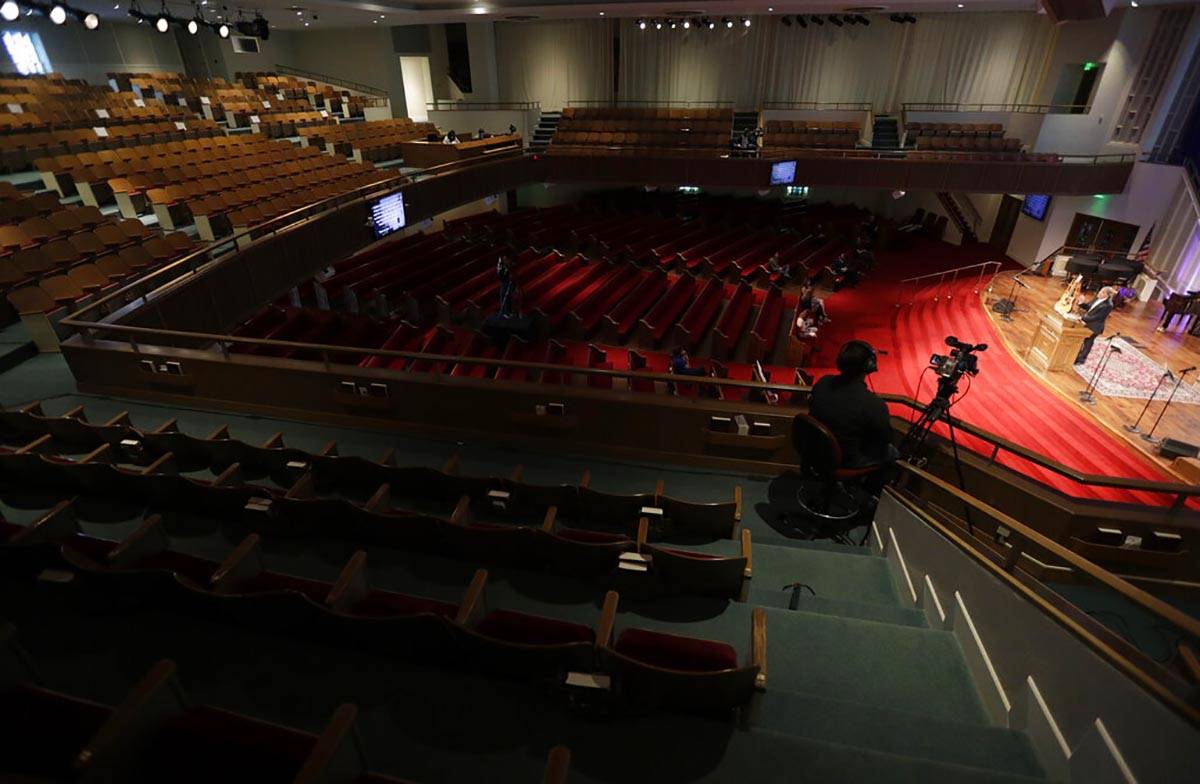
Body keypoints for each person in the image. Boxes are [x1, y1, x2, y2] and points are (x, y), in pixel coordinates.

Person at [807, 340, 898, 495]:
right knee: (892, 454)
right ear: (870, 366)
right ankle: (867, 501)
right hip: (844, 460)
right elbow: (884, 439)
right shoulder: (874, 404)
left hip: (812, 449)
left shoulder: (823, 382)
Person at [1073, 286, 1117, 365]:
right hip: (1087, 323)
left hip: (1095, 326)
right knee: (1082, 340)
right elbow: (1090, 308)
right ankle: (1075, 355)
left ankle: (1081, 359)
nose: (1099, 293)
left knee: (1088, 343)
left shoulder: (1108, 305)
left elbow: (1097, 317)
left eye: (1102, 292)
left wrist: (1082, 318)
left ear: (1107, 295)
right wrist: (1081, 303)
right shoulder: (1097, 298)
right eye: (1100, 291)